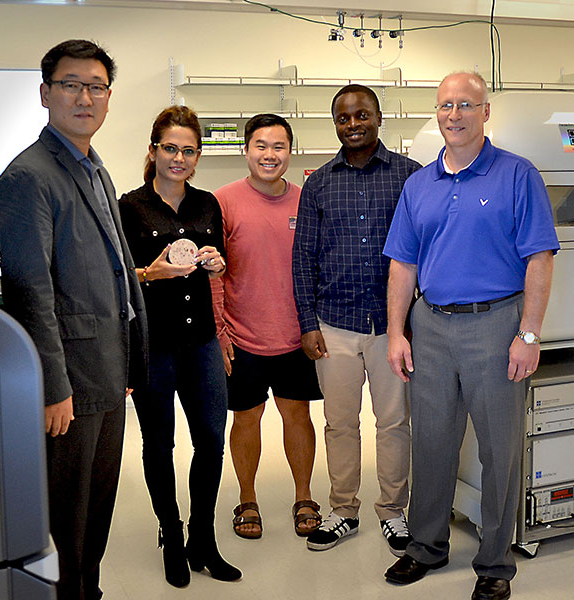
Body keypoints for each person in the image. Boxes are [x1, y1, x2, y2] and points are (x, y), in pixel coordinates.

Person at [383, 72, 558, 600]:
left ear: (485, 113)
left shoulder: (516, 175)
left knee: (498, 450)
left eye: (465, 104)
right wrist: (397, 331)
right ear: (436, 114)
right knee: (431, 444)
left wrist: (528, 333)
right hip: (431, 325)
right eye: (445, 106)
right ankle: (426, 547)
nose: (454, 114)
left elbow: (540, 258)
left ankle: (495, 563)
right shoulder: (419, 185)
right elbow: (402, 263)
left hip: (496, 324)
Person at [0, 40, 148, 600]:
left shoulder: (95, 168)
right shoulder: (27, 177)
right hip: (69, 384)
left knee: (97, 508)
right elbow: (32, 294)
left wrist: (127, 358)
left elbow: (114, 273)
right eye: (71, 84)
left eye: (97, 86)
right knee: (66, 518)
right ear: (45, 94)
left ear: (108, 98)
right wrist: (53, 388)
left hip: (106, 370)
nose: (85, 96)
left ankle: (88, 592)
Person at [292, 84, 420, 555]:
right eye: (344, 118)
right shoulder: (319, 182)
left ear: (379, 117)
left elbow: (425, 253)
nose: (353, 124)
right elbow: (303, 257)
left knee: (393, 423)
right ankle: (344, 510)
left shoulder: (411, 177)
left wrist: (412, 324)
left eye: (362, 114)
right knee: (340, 423)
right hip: (335, 326)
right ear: (336, 124)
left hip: (393, 328)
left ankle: (392, 512)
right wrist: (308, 322)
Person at [118, 105, 241, 588]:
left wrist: (216, 262)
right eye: (170, 148)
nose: (179, 158)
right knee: (159, 443)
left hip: (202, 341)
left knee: (211, 440)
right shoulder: (130, 206)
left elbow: (224, 264)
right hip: (155, 345)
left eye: (189, 151)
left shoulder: (207, 203)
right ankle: (171, 535)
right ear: (153, 150)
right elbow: (120, 277)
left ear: (197, 158)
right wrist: (153, 272)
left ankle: (203, 540)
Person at [210, 114, 323, 540]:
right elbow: (214, 273)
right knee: (246, 419)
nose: (269, 154)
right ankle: (247, 498)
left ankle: (304, 495)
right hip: (243, 337)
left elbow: (317, 265)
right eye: (261, 145)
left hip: (297, 334)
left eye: (278, 146)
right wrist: (221, 331)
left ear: (290, 152)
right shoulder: (223, 201)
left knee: (298, 415)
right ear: (246, 150)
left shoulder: (306, 200)